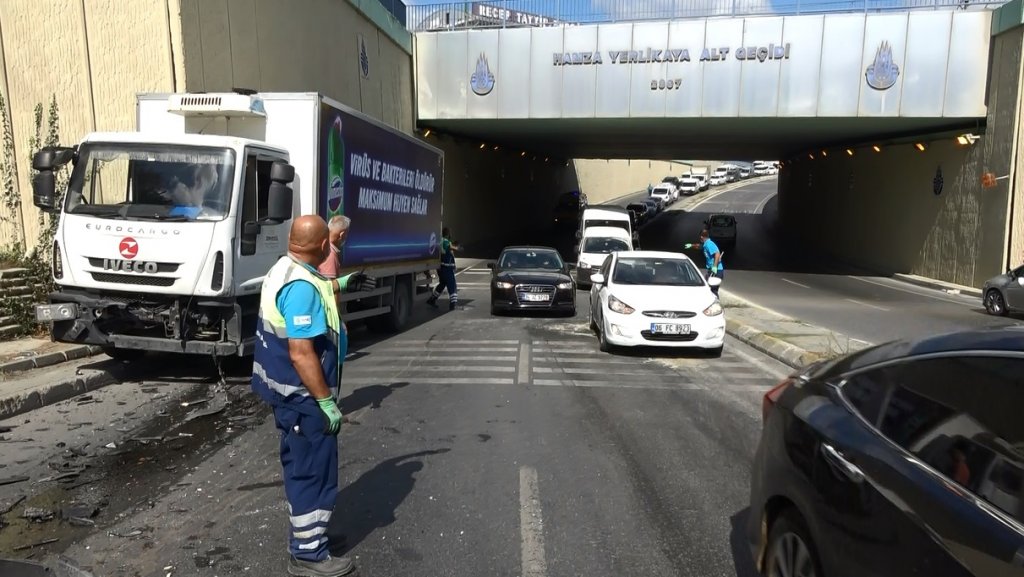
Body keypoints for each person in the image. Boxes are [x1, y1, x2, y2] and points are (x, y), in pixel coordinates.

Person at [250, 215, 355, 577]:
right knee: (313, 473)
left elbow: (316, 285)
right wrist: (325, 401)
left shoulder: (285, 268)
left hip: (288, 395)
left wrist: (342, 281)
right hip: (303, 399)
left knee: (304, 467)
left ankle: (314, 539)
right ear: (325, 245)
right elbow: (300, 351)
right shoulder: (301, 288)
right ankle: (308, 554)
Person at [426, 227, 461, 311]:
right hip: (447, 268)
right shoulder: (445, 241)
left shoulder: (440, 241)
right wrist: (458, 248)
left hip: (441, 268)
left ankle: (432, 299)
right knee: (452, 285)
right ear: (448, 233)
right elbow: (450, 247)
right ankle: (453, 304)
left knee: (442, 284)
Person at [685, 228, 724, 296]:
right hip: (711, 270)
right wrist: (691, 245)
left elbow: (717, 254)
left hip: (716, 271)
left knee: (712, 290)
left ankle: (715, 303)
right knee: (706, 288)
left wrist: (715, 267)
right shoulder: (706, 244)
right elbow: (700, 246)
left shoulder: (709, 244)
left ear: (701, 237)